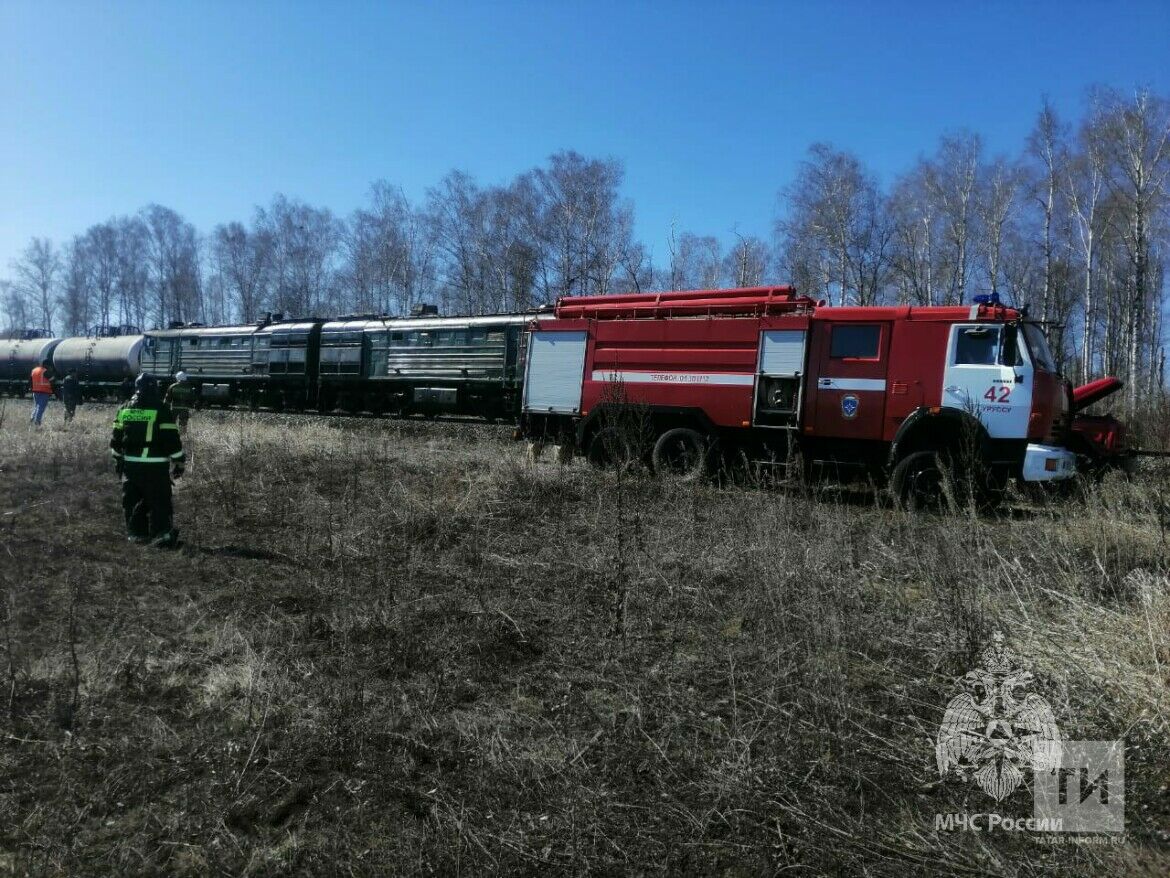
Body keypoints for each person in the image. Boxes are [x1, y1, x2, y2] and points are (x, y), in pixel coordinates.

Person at [110, 373, 186, 548]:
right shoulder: (161, 409)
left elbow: (116, 439)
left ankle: (136, 534)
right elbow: (171, 439)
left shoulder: (124, 409)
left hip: (130, 465)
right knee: (159, 501)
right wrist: (179, 461)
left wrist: (118, 459)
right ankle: (162, 536)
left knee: (132, 500)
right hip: (155, 466)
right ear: (154, 388)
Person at [29, 360, 54, 426]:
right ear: (47, 365)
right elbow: (52, 380)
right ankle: (37, 422)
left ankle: (32, 419)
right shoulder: (45, 371)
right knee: (41, 408)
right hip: (44, 392)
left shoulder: (34, 370)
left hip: (35, 391)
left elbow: (30, 381)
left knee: (36, 406)